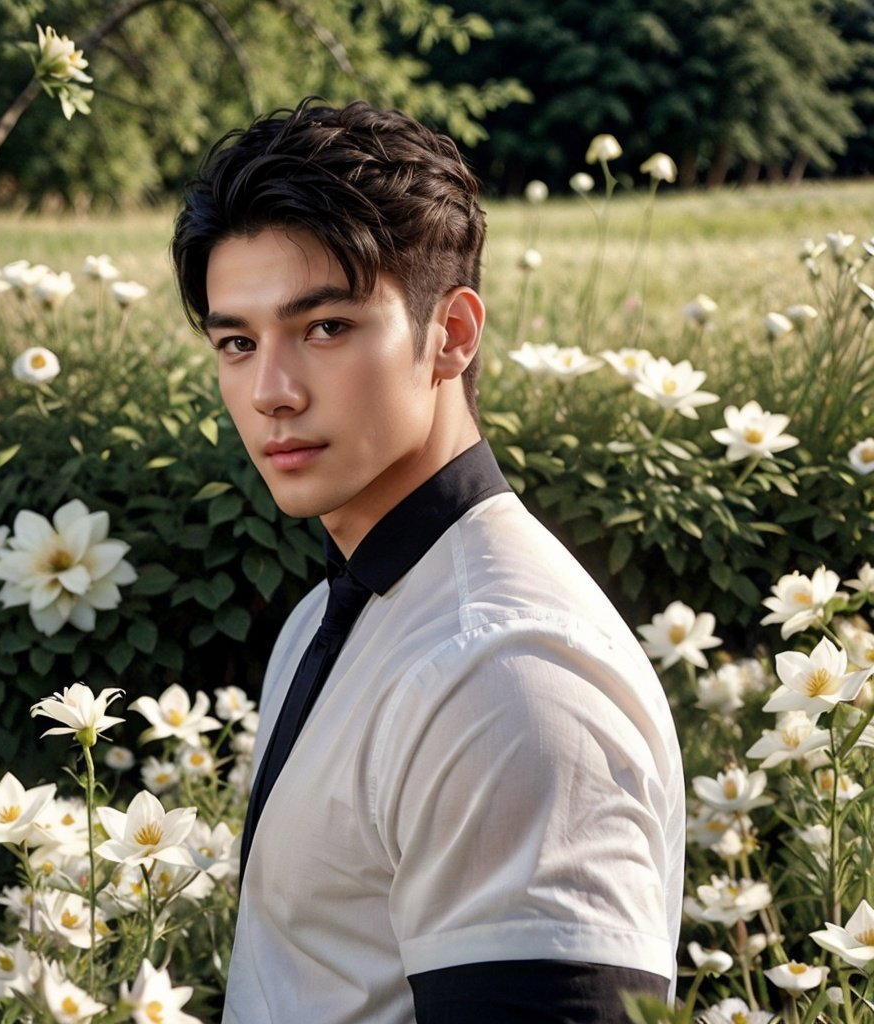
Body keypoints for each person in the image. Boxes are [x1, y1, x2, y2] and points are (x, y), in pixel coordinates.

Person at [171, 98, 685, 1024]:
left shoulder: (509, 675)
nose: (271, 393)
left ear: (451, 334)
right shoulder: (343, 611)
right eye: (237, 343)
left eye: (325, 326)